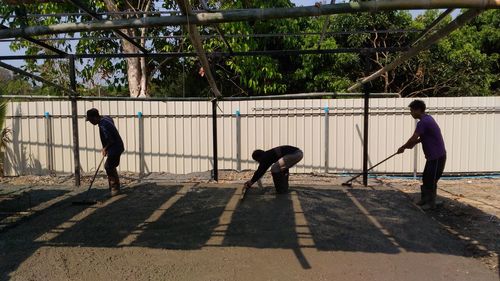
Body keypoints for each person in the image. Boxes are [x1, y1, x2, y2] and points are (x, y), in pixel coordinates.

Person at [397, 100, 446, 210]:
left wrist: (403, 147)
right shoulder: (428, 119)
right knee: (426, 178)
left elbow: (414, 138)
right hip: (432, 156)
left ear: (418, 110)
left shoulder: (423, 122)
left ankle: (431, 203)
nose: (411, 113)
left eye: (412, 110)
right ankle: (425, 199)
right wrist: (413, 143)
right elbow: (424, 137)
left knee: (431, 180)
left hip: (437, 156)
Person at [86, 108, 125, 197]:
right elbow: (110, 120)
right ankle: (115, 188)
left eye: (91, 120)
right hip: (118, 146)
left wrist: (105, 148)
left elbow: (111, 140)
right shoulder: (106, 118)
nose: (91, 122)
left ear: (95, 117)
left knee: (108, 166)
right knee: (111, 166)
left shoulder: (103, 125)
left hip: (115, 148)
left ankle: (115, 189)